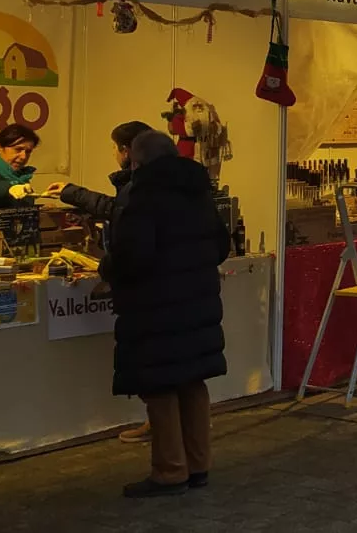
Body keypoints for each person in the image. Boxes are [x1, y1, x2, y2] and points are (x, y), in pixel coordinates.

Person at [99, 131, 230, 497]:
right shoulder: (199, 192)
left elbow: (133, 257)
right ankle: (198, 464)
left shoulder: (144, 196)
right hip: (198, 303)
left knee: (159, 386)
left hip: (156, 307)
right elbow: (221, 245)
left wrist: (108, 266)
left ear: (136, 162)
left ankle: (170, 471)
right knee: (192, 383)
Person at [44, 120, 156, 444]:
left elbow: (129, 236)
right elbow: (116, 209)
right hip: (169, 294)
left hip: (147, 293)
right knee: (173, 368)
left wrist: (107, 268)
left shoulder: (144, 187)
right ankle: (175, 436)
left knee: (155, 362)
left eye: (114, 147)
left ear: (126, 151)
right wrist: (72, 193)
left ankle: (169, 456)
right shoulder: (164, 184)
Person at [0, 124, 41, 210]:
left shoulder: (19, 176)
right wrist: (10, 188)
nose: (23, 156)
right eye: (18, 149)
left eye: (28, 151)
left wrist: (39, 209)